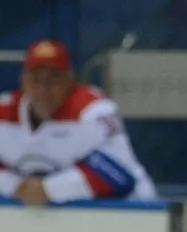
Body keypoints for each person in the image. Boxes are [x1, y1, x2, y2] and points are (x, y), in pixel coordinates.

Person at [0, 39, 156, 204]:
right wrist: (15, 186)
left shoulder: (94, 111)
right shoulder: (4, 110)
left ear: (70, 81)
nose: (43, 90)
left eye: (53, 80)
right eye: (35, 80)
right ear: (23, 81)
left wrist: (50, 189)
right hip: (44, 214)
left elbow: (119, 175)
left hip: (128, 209)